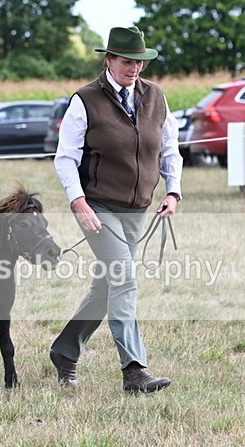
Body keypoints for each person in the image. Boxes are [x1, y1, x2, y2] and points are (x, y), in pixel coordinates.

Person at [49, 26, 183, 394]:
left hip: (136, 208)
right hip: (97, 205)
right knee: (123, 277)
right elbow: (65, 158)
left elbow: (168, 149)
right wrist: (78, 201)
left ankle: (64, 350)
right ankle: (134, 370)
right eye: (127, 61)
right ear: (109, 60)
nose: (134, 68)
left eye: (139, 62)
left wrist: (173, 191)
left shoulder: (156, 96)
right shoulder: (85, 100)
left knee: (107, 285)